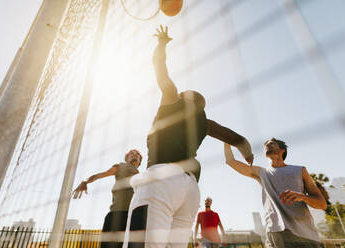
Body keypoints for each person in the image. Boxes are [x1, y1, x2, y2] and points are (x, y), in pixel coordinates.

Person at [123, 25, 254, 248]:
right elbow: (239, 140)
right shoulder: (205, 123)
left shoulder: (173, 100)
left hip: (161, 181)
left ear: (184, 96)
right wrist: (247, 153)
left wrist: (162, 43)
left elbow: (159, 68)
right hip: (190, 189)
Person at [224, 138, 327, 248]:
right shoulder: (261, 173)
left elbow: (322, 204)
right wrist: (226, 139)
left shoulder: (300, 170)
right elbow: (230, 161)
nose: (267, 145)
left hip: (305, 234)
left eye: (272, 143)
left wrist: (302, 197)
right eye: (266, 145)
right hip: (276, 233)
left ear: (282, 150)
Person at [73, 149, 142, 248]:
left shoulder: (141, 175)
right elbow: (101, 174)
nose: (134, 155)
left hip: (133, 216)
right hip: (117, 215)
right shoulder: (121, 166)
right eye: (131, 154)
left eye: (137, 155)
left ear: (139, 161)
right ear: (126, 158)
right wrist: (86, 181)